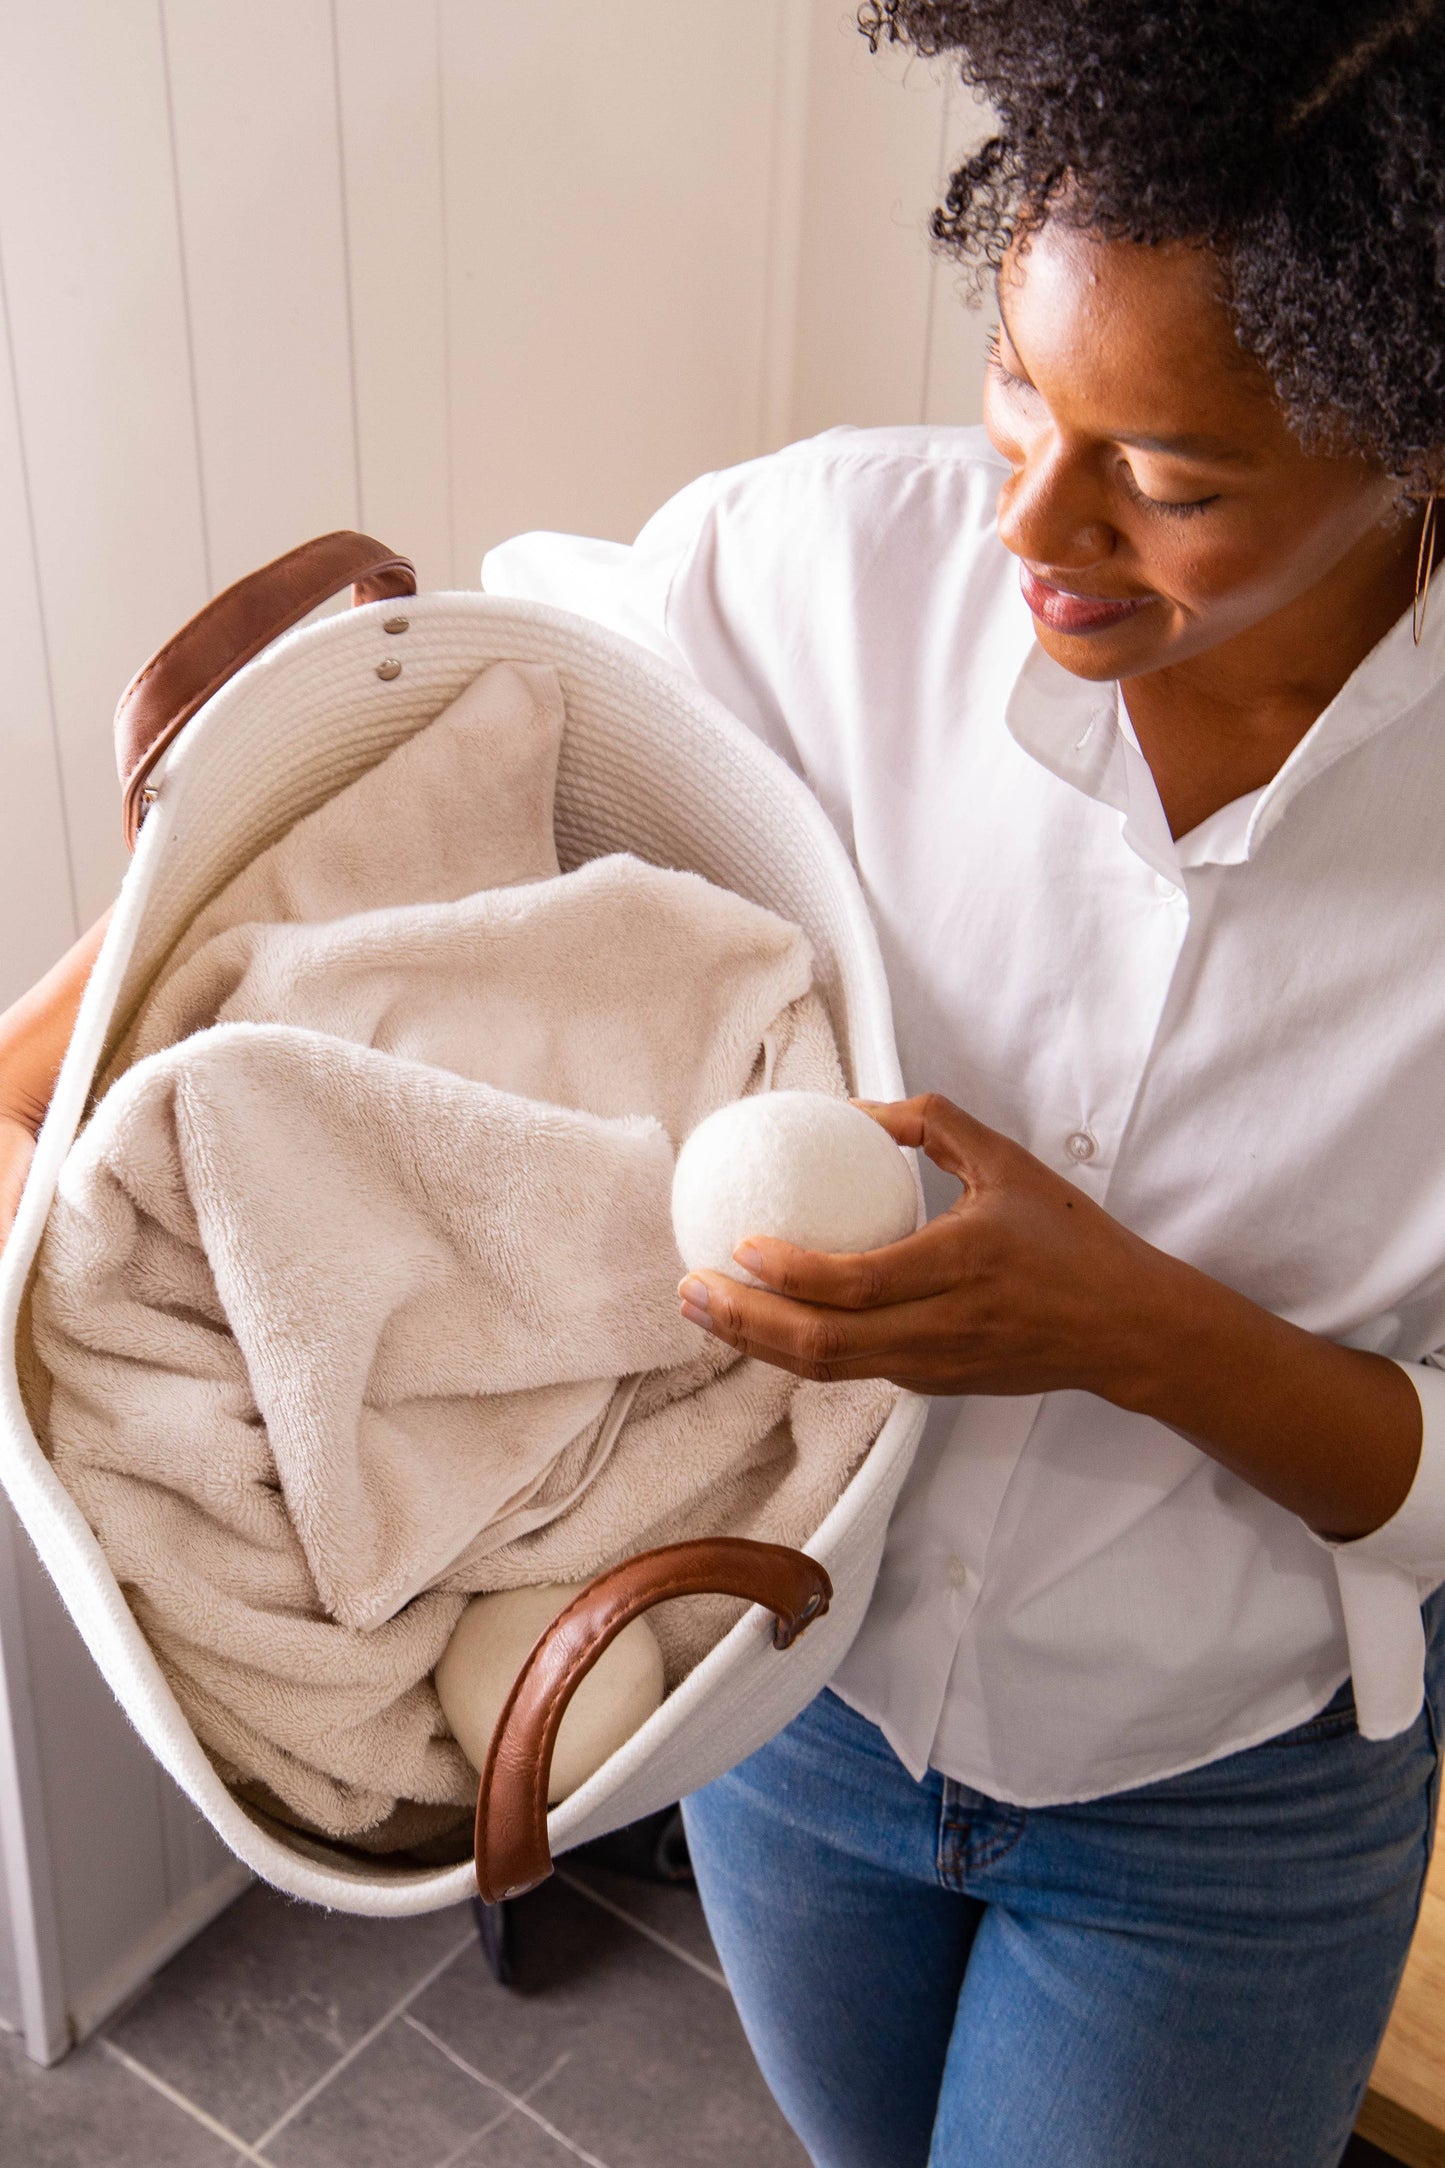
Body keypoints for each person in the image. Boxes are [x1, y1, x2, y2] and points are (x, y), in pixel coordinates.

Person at [1, 3, 1441, 2162]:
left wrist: (1126, 1329)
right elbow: (421, 758)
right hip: (794, 1714)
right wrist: (43, 1070)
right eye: (1020, 390)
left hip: (1215, 1805)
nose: (1036, 524)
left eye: (1171, 480)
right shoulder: (831, 571)